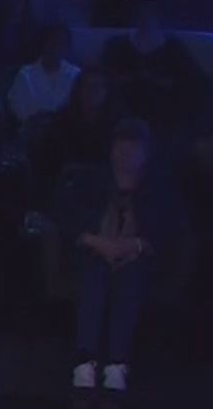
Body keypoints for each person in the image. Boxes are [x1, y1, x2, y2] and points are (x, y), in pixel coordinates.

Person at [64, 118, 180, 393]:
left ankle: (117, 366)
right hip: (95, 252)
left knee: (130, 280)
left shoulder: (159, 187)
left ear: (146, 153)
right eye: (121, 146)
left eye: (134, 147)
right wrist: (97, 242)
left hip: (136, 259)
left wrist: (135, 245)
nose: (126, 153)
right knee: (94, 279)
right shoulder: (90, 180)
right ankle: (84, 366)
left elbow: (170, 230)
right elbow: (67, 218)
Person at [102, 5, 205, 129]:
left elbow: (193, 82)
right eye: (142, 17)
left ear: (159, 20)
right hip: (122, 116)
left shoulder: (175, 49)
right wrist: (131, 79)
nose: (146, 22)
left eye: (150, 17)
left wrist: (161, 82)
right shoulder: (116, 46)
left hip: (165, 118)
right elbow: (104, 78)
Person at [7, 23, 80, 125]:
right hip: (33, 129)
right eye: (53, 42)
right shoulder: (25, 75)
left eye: (61, 43)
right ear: (44, 43)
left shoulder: (76, 75)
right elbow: (16, 107)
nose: (56, 47)